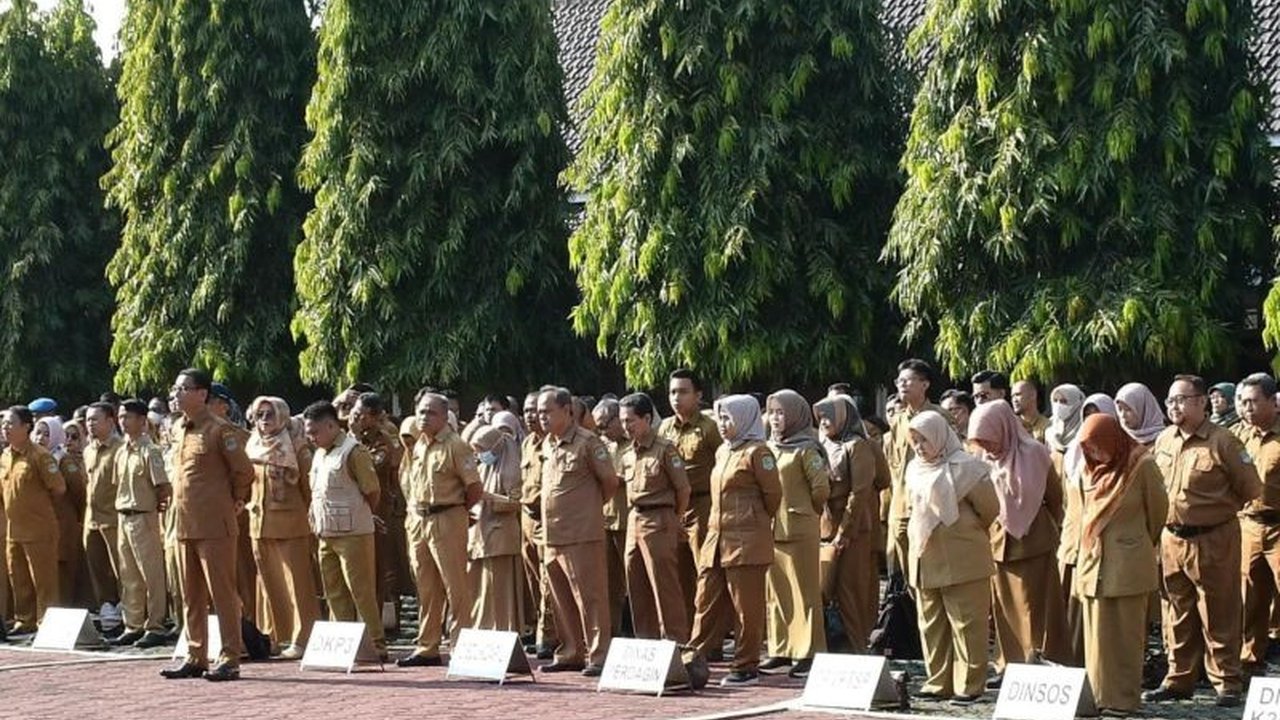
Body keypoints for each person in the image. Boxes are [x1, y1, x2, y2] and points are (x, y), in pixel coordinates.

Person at [1144, 375, 1259, 707]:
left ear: (1202, 402)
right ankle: (1179, 679)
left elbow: (1250, 489)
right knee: (1176, 612)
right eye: (1170, 401)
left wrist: (1216, 514)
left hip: (1213, 539)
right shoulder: (1164, 440)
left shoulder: (1224, 442)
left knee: (1218, 610)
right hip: (1172, 540)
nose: (1174, 407)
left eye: (1181, 400)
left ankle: (1227, 681)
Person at [159, 369, 253, 682]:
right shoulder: (178, 429)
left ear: (202, 394)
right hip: (184, 522)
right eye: (176, 388)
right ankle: (195, 654)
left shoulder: (219, 430)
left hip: (215, 523)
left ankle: (230, 657)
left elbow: (243, 470)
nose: (177, 393)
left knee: (222, 592)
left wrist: (237, 499)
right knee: (190, 594)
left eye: (184, 388)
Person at [968, 400, 1067, 685]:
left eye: (990, 437)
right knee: (1002, 607)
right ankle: (1007, 664)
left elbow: (1055, 496)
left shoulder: (1034, 452)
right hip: (998, 540)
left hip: (1033, 540)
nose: (987, 446)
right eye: (981, 440)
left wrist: (1046, 523)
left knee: (1034, 606)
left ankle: (1038, 660)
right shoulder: (983, 459)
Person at [1075, 414, 1168, 715]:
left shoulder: (1141, 465)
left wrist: (1135, 543)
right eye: (1088, 447)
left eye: (1099, 446)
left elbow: (1157, 513)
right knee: (1096, 639)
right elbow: (1078, 515)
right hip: (1092, 565)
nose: (1094, 453)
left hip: (1128, 566)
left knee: (1126, 637)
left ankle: (1123, 700)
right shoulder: (1085, 471)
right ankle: (1099, 697)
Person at [905, 410, 998, 705]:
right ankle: (937, 682)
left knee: (967, 623)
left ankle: (970, 685)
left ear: (941, 436)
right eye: (915, 440)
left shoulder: (968, 467)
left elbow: (990, 509)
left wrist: (964, 531)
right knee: (931, 624)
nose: (919, 447)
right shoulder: (914, 469)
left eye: (925, 440)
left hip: (963, 558)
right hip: (924, 556)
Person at [688, 394, 782, 687]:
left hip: (746, 540)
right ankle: (693, 657)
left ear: (744, 418)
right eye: (720, 418)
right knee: (705, 599)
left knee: (747, 607)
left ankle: (746, 664)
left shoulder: (758, 452)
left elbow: (773, 496)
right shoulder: (723, 451)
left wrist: (752, 520)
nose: (723, 424)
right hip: (717, 538)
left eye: (728, 418)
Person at [537, 387, 619, 675]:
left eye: (547, 411)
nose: (541, 416)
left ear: (566, 410)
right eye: (538, 411)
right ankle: (571, 651)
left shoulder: (588, 442)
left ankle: (598, 655)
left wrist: (588, 509)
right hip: (552, 534)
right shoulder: (547, 444)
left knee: (591, 597)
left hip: (582, 534)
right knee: (560, 598)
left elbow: (609, 482)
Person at [400, 392, 481, 667]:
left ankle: (461, 646)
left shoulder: (456, 445)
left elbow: (474, 487)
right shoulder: (419, 445)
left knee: (455, 584)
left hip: (447, 516)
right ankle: (428, 646)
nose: (424, 417)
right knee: (425, 585)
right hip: (420, 519)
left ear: (445, 416)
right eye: (421, 411)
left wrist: (457, 509)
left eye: (431, 413)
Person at [303, 401, 387, 660]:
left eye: (315, 431)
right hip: (326, 532)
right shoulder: (319, 454)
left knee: (360, 590)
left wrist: (362, 514)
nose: (311, 437)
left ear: (331, 425)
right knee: (334, 590)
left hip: (353, 532)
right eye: (308, 432)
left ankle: (376, 643)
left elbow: (372, 491)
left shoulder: (353, 451)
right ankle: (345, 642)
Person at [760, 390, 830, 678]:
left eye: (781, 413)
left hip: (799, 529)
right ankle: (781, 648)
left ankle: (808, 651)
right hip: (772, 529)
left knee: (804, 592)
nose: (776, 419)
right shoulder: (769, 447)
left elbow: (821, 488)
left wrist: (806, 511)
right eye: (772, 412)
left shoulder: (807, 449)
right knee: (776, 593)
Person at [813, 394, 889, 652]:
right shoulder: (823, 444)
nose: (824, 422)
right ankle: (835, 646)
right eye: (821, 417)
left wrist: (845, 530)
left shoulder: (858, 446)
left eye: (829, 416)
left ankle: (858, 647)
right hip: (827, 525)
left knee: (851, 589)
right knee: (828, 588)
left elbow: (862, 491)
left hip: (854, 528)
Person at [245, 396, 318, 659]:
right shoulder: (251, 445)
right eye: (260, 414)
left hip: (291, 523)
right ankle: (272, 636)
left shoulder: (297, 447)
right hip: (259, 523)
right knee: (267, 584)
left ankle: (303, 637)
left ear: (283, 416)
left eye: (270, 414)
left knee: (296, 582)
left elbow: (309, 490)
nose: (264, 420)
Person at [618, 392, 690, 643]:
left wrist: (674, 518)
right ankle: (646, 640)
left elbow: (683, 489)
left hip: (659, 518)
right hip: (634, 519)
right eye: (623, 421)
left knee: (664, 584)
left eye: (631, 421)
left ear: (647, 418)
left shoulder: (665, 449)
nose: (626, 426)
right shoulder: (627, 453)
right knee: (635, 583)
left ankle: (675, 641)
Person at [658, 369, 723, 640]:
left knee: (706, 575)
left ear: (698, 395)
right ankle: (683, 636)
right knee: (678, 574)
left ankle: (711, 639)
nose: (676, 398)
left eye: (683, 391)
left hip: (704, 505)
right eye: (673, 392)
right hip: (674, 509)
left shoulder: (710, 428)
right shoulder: (664, 428)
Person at [109, 400, 172, 649]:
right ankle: (132, 624)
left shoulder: (151, 450)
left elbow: (163, 487)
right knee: (128, 574)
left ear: (142, 420)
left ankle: (155, 624)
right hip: (123, 515)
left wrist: (155, 509)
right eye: (121, 416)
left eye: (129, 417)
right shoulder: (122, 450)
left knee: (151, 574)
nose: (123, 421)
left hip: (143, 515)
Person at [0, 406, 66, 633]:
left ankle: (46, 623)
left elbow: (58, 488)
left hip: (39, 529)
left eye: (10, 423)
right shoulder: (6, 456)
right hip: (13, 529)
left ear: (25, 426)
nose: (5, 428)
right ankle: (24, 620)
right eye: (4, 424)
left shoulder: (40, 455)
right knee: (18, 577)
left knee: (44, 580)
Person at [349, 392, 410, 628]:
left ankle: (381, 625)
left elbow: (369, 468)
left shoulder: (384, 442)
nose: (354, 419)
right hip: (351, 512)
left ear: (374, 418)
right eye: (353, 413)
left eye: (360, 415)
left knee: (379, 567)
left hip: (378, 510)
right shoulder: (347, 438)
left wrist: (353, 439)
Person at [1235, 373, 1280, 675]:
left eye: (1253, 401)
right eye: (1243, 402)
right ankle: (1251, 663)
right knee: (1250, 597)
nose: (1247, 408)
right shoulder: (1238, 435)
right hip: (1248, 524)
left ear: (1273, 403)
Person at [885, 359, 947, 577]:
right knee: (902, 569)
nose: (902, 385)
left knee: (929, 566)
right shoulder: (898, 421)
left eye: (908, 380)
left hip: (930, 503)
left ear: (925, 384)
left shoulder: (940, 417)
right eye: (899, 381)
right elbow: (892, 461)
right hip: (900, 504)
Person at [467, 425, 523, 632]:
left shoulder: (512, 470)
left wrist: (489, 497)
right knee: (478, 588)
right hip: (479, 534)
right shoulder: (481, 467)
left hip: (501, 536)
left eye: (483, 449)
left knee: (498, 589)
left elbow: (518, 503)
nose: (481, 454)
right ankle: (480, 628)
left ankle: (502, 629)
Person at [34, 417, 87, 609]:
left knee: (62, 569)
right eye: (38, 432)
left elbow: (78, 492)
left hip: (64, 523)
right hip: (40, 523)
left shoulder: (64, 461)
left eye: (47, 434)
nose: (41, 438)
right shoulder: (34, 459)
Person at [518, 392, 556, 658]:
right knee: (533, 578)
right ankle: (539, 628)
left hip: (547, 518)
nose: (532, 416)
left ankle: (549, 635)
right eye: (527, 410)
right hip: (526, 519)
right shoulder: (528, 443)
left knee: (548, 579)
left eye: (537, 410)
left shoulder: (553, 444)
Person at [82, 402, 123, 628]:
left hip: (114, 518)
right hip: (92, 519)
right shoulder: (88, 450)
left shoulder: (120, 448)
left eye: (95, 419)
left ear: (110, 421)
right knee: (97, 566)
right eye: (88, 420)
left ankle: (127, 608)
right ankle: (107, 604)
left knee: (121, 568)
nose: (90, 424)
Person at [591, 399, 629, 636]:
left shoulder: (636, 444)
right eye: (599, 428)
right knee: (608, 583)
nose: (602, 431)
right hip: (605, 520)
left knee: (635, 582)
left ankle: (638, 632)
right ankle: (611, 633)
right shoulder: (601, 446)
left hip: (629, 520)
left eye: (606, 425)